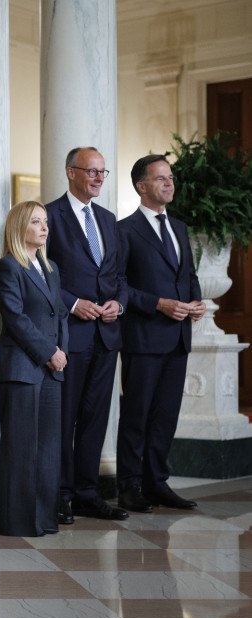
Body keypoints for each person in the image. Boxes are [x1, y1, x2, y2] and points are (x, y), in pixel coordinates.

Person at [115, 154, 205, 512]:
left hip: (178, 336)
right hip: (143, 337)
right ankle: (129, 486)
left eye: (170, 177)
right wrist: (158, 304)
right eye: (161, 178)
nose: (170, 183)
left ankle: (157, 483)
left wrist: (195, 302)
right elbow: (119, 285)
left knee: (166, 415)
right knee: (137, 415)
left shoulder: (180, 228)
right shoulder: (124, 230)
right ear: (141, 186)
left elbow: (190, 277)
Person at [45, 147, 129, 524]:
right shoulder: (49, 216)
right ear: (71, 173)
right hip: (70, 334)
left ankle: (86, 493)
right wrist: (71, 302)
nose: (98, 178)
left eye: (102, 172)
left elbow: (119, 278)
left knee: (96, 417)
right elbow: (42, 276)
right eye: (91, 171)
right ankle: (60, 495)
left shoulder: (109, 220)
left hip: (106, 336)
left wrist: (119, 304)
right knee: (64, 419)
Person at [0, 202, 69, 537]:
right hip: (22, 368)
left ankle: (44, 518)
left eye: (46, 222)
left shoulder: (50, 267)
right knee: (20, 447)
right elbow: (15, 318)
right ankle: (19, 522)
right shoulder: (7, 267)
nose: (44, 228)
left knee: (49, 449)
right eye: (36, 222)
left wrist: (61, 352)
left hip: (53, 369)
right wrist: (49, 352)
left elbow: (61, 314)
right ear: (19, 226)